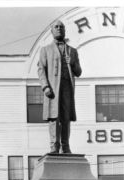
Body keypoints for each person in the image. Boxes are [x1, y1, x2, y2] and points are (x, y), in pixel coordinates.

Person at [37, 20, 82, 154]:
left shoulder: (72, 51)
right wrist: (45, 87)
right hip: (53, 89)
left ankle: (66, 146)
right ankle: (54, 147)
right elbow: (41, 70)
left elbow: (79, 72)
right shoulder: (45, 50)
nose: (59, 29)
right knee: (54, 118)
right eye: (56, 27)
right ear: (52, 31)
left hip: (67, 87)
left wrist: (72, 63)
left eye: (61, 27)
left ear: (64, 30)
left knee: (66, 118)